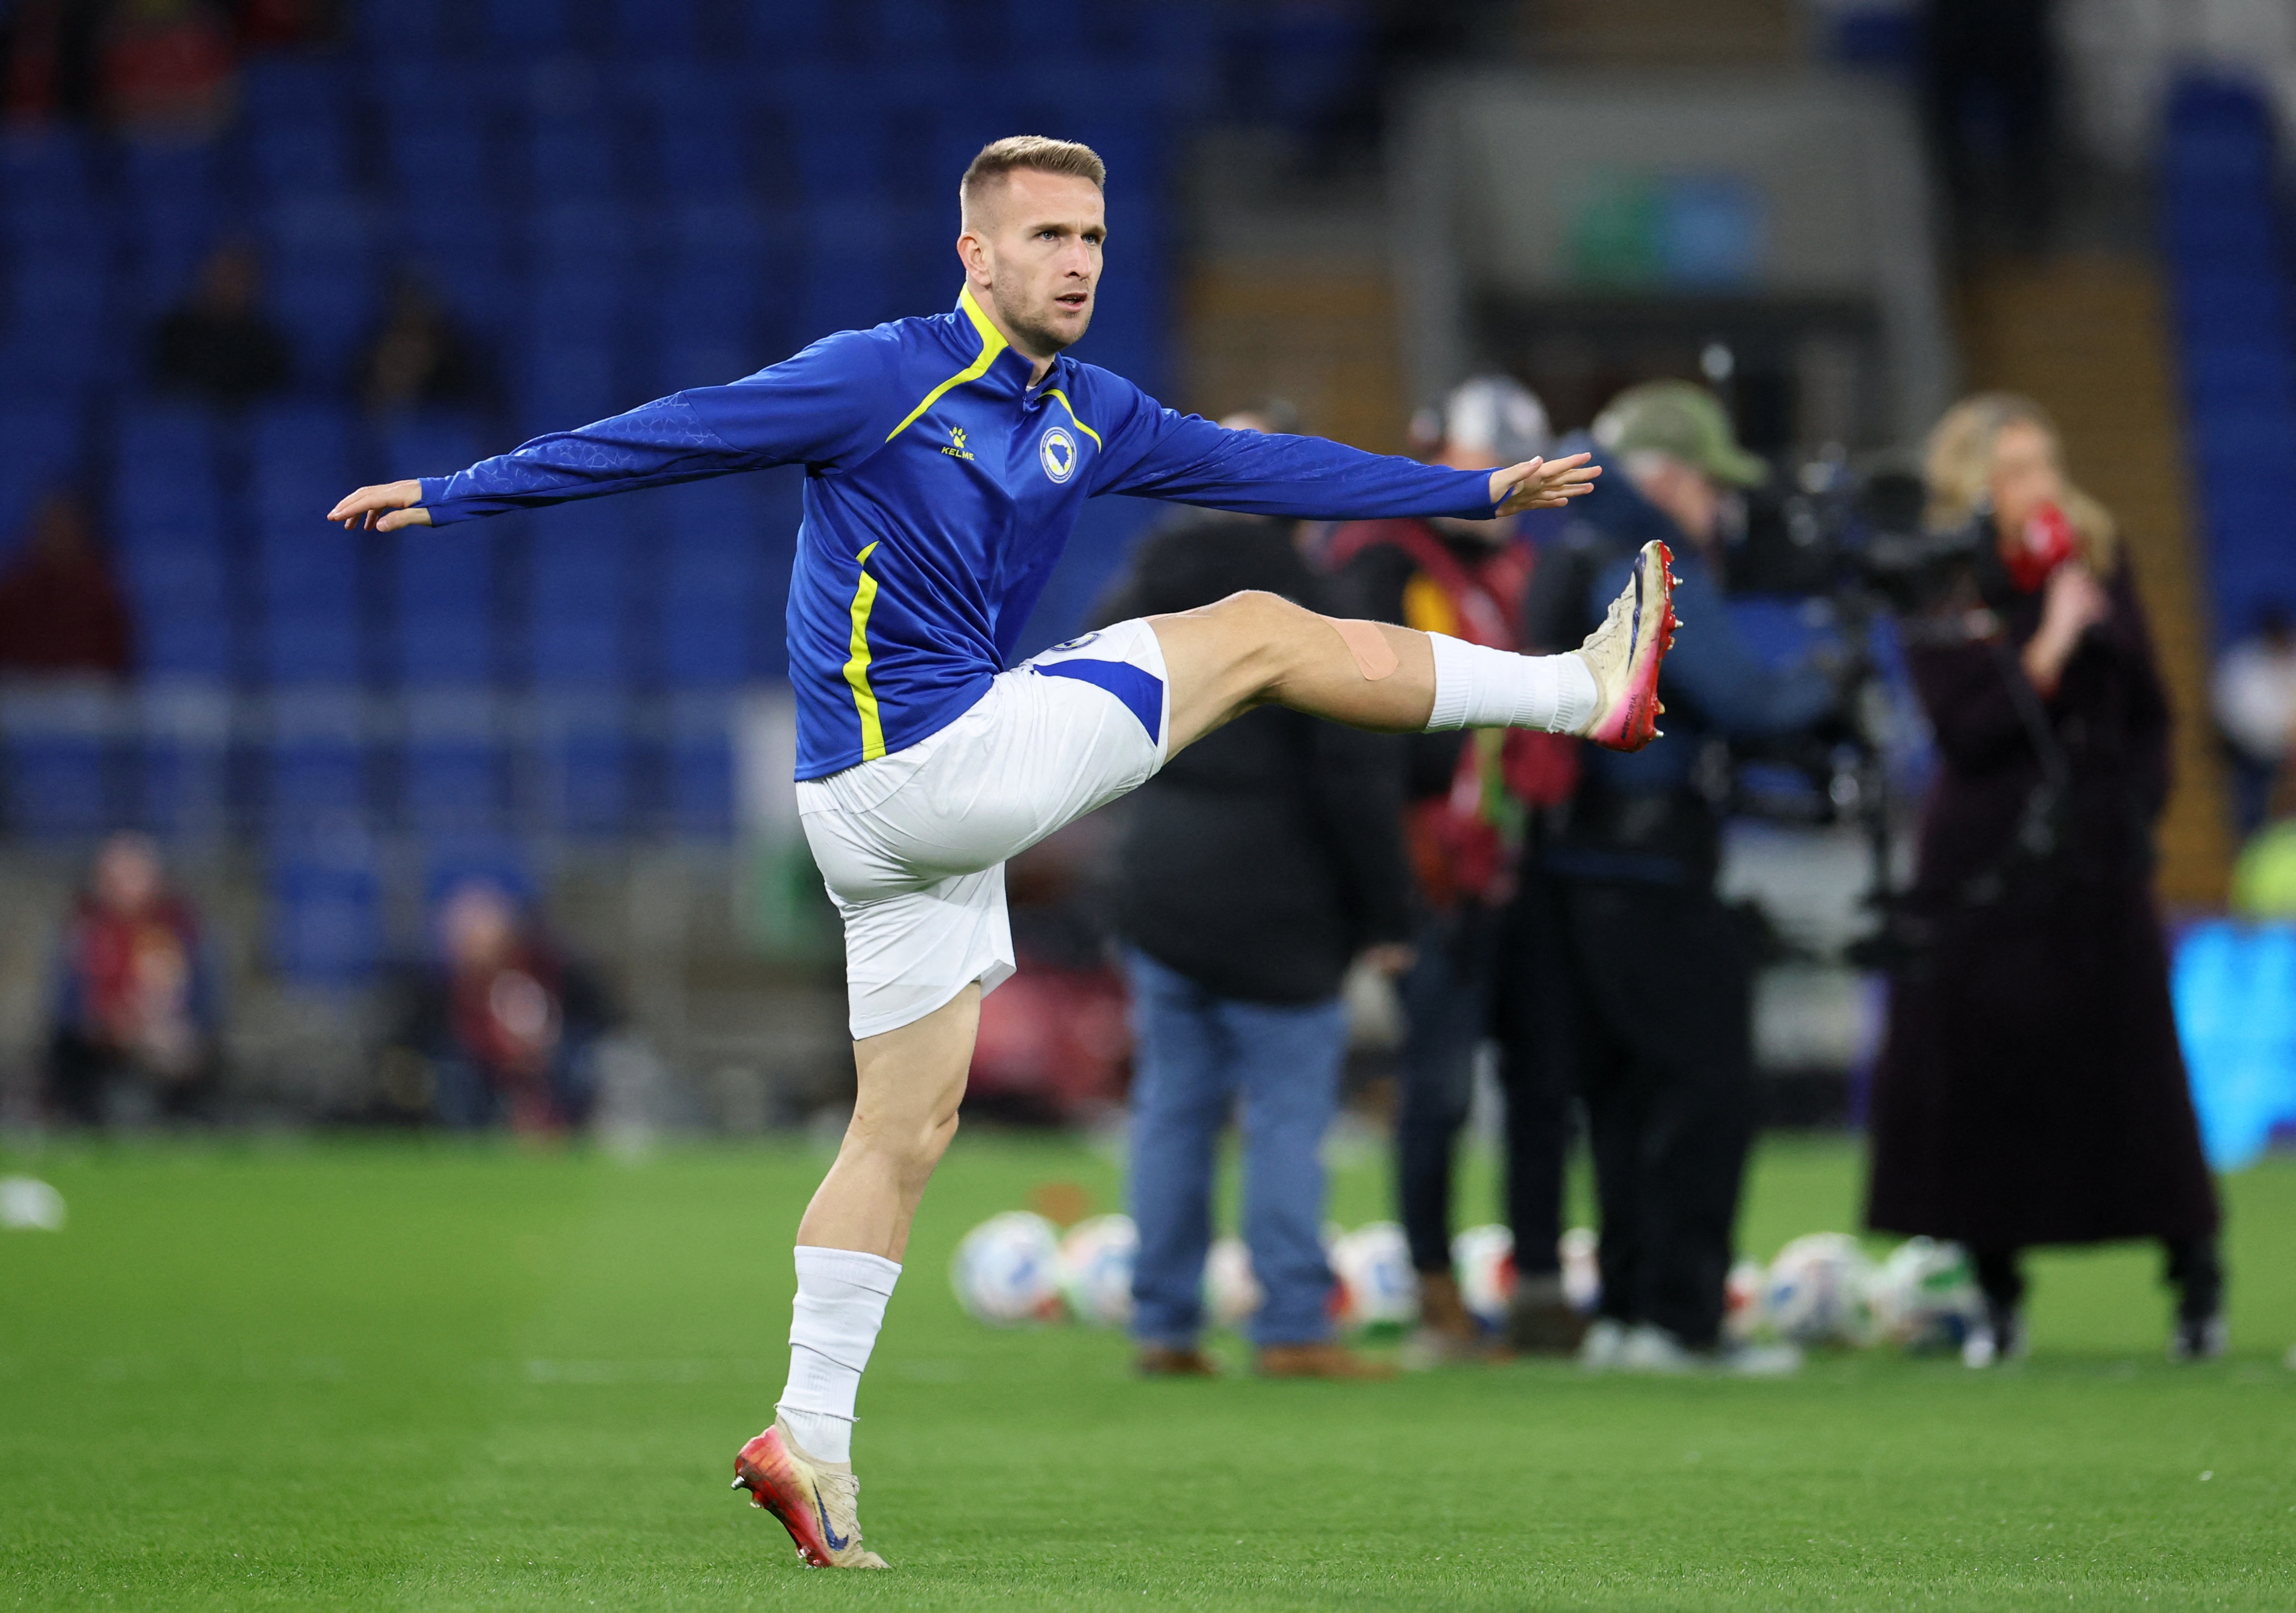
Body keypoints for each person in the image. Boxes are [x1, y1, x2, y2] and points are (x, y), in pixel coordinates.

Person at [329, 136, 1673, 1569]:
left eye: (1090, 234)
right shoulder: (875, 373)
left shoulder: (1091, 409)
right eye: (1042, 236)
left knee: (899, 1131)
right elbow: (674, 430)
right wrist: (462, 490)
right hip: (917, 771)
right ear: (974, 255)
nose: (1076, 259)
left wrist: (1464, 496)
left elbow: (1255, 460)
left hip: (881, 821)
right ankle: (1579, 693)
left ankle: (808, 1437)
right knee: (1261, 632)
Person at [1864, 393, 2224, 1366]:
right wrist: (2053, 639)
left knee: (2137, 1080)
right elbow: (1967, 732)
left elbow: (2150, 708)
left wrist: (2136, 807)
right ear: (1970, 487)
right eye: (2015, 471)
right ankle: (1994, 1293)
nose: (2038, 488)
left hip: (2097, 862)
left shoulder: (2100, 560)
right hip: (1988, 867)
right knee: (1986, 1080)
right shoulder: (1940, 583)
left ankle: (2194, 1281)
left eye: (2044, 465)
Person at [1092, 413, 1415, 1383]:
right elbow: (1352, 777)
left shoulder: (1140, 591)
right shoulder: (1314, 601)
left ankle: (1162, 1324)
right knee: (1284, 1115)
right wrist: (1389, 914)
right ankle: (1290, 1325)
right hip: (1281, 895)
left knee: (1172, 1110)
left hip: (1158, 882)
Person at [1523, 381, 1835, 1376]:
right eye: (1710, 485)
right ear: (1665, 477)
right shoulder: (1646, 565)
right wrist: (1839, 672)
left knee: (1624, 1099)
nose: (1723, 508)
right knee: (1704, 1090)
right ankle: (1682, 1317)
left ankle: (1627, 1312)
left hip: (1581, 863)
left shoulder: (1574, 551)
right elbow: (1744, 699)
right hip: (1649, 869)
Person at [1322, 375, 1585, 1364]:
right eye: (1490, 472)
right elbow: (1373, 729)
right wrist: (1385, 888)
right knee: (1435, 1090)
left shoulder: (1518, 569)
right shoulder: (1381, 560)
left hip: (1515, 859)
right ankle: (1436, 1296)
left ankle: (1540, 1289)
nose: (1508, 492)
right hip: (1433, 869)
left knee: (1543, 1081)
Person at [379, 879, 611, 1134]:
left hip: (551, 1068)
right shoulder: (434, 992)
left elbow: (595, 1018)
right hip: (477, 1079)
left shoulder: (550, 973)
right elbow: (412, 1045)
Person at [44, 831, 222, 1126]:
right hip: (99, 1048)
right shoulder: (83, 933)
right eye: (118, 878)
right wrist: (114, 1028)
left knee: (191, 1056)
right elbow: (67, 1010)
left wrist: (179, 1032)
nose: (129, 888)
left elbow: (207, 1004)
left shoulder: (182, 931)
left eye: (137, 876)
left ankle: (182, 1126)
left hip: (169, 1042)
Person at [0, 488, 133, 676]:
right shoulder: (16, 585)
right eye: (49, 527)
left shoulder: (98, 588)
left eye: (63, 527)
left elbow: (117, 655)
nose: (56, 535)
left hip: (82, 687)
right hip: (23, 686)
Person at [149, 240, 293, 409]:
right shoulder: (174, 333)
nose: (229, 286)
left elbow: (269, 402)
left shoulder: (269, 345)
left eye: (239, 278)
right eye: (222, 276)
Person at [358, 270, 491, 418]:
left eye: (416, 351)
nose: (406, 360)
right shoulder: (355, 395)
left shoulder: (457, 399)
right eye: (398, 356)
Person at [2212, 603, 2296, 836]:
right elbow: (2232, 717)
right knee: (2253, 821)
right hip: (2256, 760)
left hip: (2292, 758)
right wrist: (2278, 736)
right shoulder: (2243, 665)